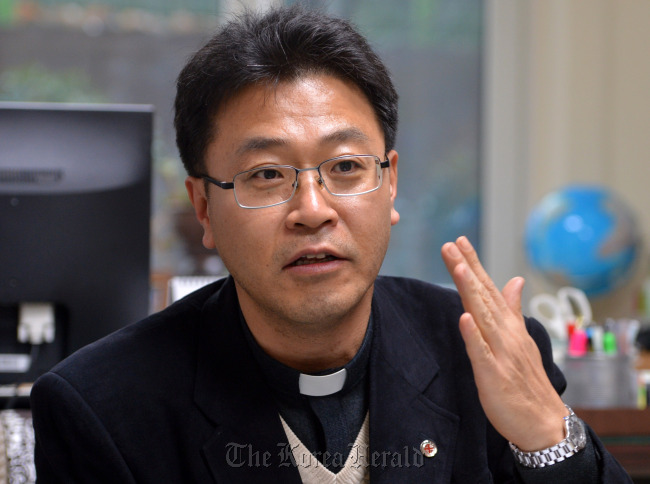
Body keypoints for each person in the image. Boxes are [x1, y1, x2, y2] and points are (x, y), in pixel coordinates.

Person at [30, 5, 632, 483]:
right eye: (266, 175)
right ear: (203, 207)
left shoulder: (486, 357)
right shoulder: (103, 409)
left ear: (390, 181)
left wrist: (549, 440)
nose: (312, 211)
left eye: (346, 167)